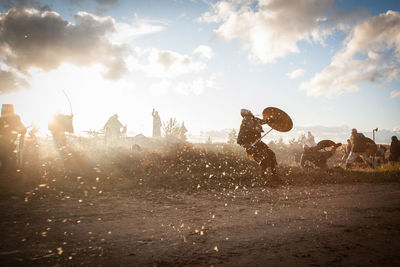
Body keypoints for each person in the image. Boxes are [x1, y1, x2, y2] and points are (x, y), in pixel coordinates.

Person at [237, 109, 277, 176]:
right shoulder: (244, 124)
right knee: (265, 157)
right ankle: (263, 177)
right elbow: (239, 140)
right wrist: (247, 145)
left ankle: (274, 175)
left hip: (258, 143)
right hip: (251, 145)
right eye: (247, 116)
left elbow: (264, 121)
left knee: (271, 154)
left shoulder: (254, 120)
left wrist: (272, 120)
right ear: (245, 116)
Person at [0, 104, 27, 170]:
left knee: (9, 167)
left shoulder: (15, 119)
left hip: (10, 149)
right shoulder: (3, 120)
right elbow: (24, 130)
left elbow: (24, 130)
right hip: (7, 149)